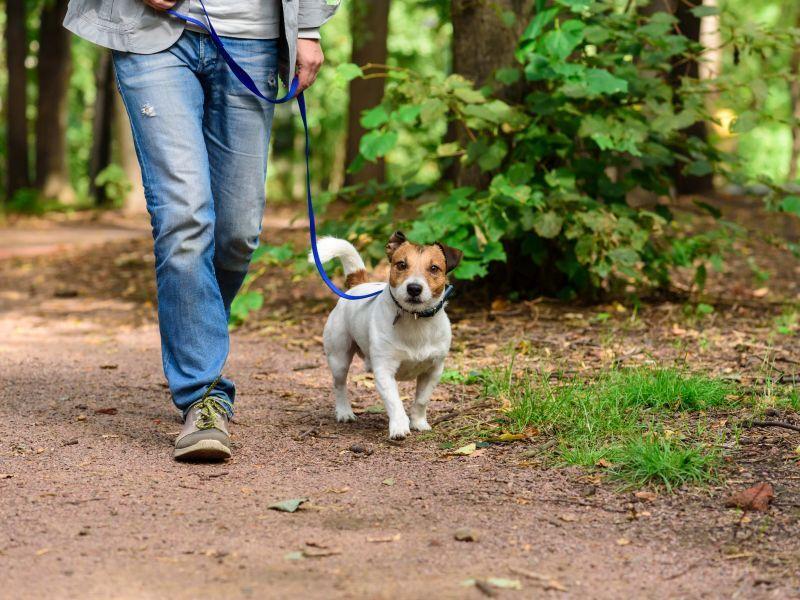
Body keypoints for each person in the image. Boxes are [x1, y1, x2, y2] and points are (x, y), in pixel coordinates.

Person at [63, 0, 339, 461]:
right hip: (152, 32)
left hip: (252, 35)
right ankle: (204, 395)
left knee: (238, 233)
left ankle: (197, 332)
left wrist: (307, 25)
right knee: (184, 217)